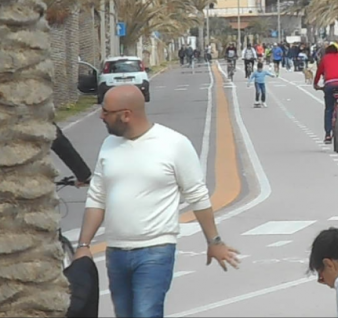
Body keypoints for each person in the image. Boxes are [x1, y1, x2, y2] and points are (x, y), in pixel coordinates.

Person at [76, 85, 239, 318]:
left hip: (156, 250)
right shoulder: (108, 146)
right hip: (116, 252)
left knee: (145, 313)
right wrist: (83, 246)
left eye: (106, 111)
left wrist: (214, 241)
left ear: (126, 115)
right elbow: (97, 197)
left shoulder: (174, 144)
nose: (101, 116)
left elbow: (198, 196)